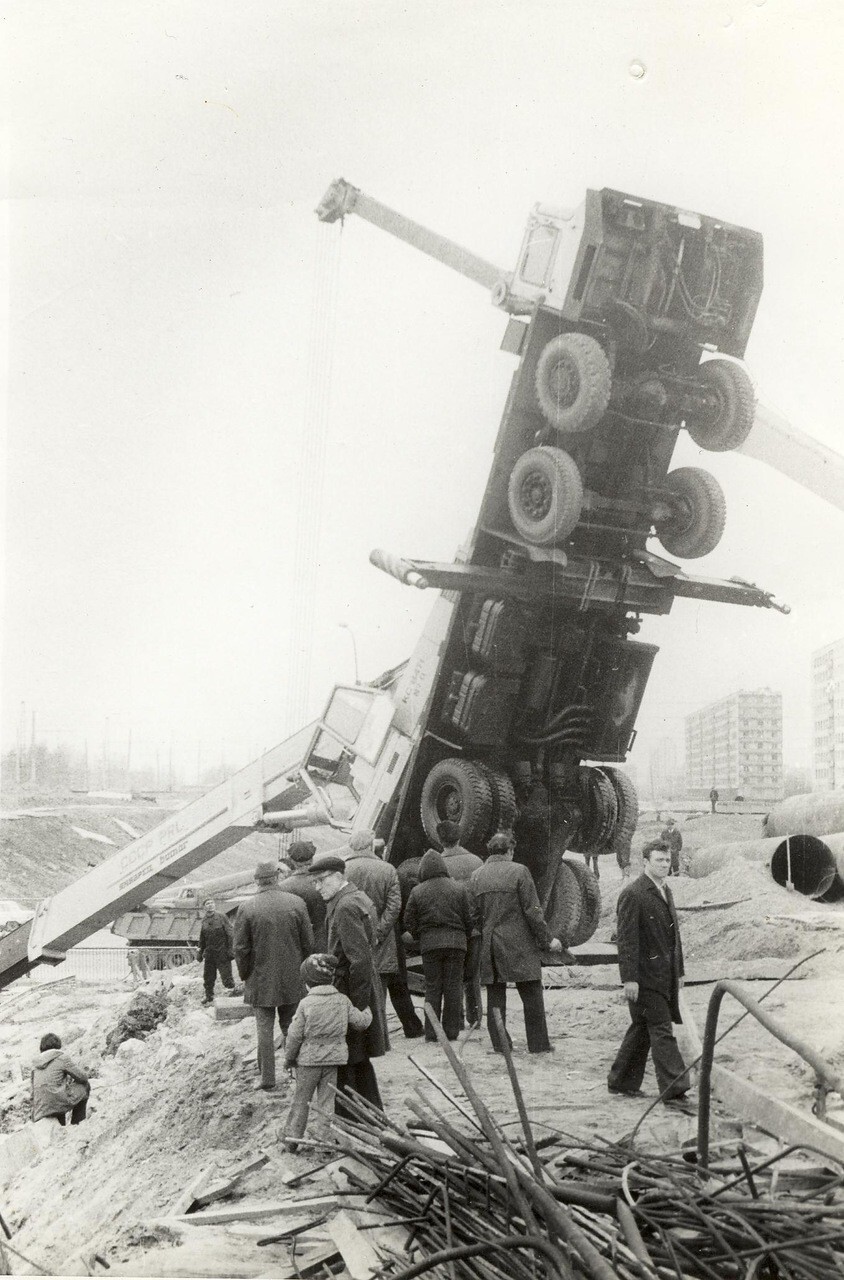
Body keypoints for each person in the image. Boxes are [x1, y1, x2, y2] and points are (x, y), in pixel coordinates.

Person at [607, 842, 692, 1111]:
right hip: (644, 978)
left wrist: (678, 972)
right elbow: (627, 941)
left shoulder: (665, 890)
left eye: (667, 860)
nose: (664, 865)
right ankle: (675, 1090)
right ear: (645, 862)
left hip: (664, 976)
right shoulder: (633, 893)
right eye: (658, 860)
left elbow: (673, 937)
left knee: (642, 1029)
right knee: (661, 1029)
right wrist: (629, 979)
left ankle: (621, 1081)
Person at [308, 853, 388, 1111]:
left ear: (338, 876)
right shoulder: (356, 898)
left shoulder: (344, 907)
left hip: (352, 990)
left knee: (348, 1056)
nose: (317, 888)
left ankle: (351, 1117)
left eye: (321, 881)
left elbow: (359, 960)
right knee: (357, 1057)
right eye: (315, 882)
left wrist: (357, 1006)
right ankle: (371, 1113)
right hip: (357, 986)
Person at [471, 830, 562, 1054]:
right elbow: (533, 912)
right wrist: (548, 940)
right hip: (520, 944)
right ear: (510, 851)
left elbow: (473, 916)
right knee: (531, 992)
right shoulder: (520, 871)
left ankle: (501, 1045)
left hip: (491, 944)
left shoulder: (477, 875)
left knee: (495, 995)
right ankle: (538, 1044)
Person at [234, 861, 314, 1092]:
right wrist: (305, 971)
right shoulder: (296, 903)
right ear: (277, 878)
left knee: (264, 1030)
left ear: (257, 880)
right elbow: (308, 942)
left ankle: (267, 1078)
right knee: (293, 1028)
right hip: (293, 977)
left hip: (260, 979)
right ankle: (298, 1076)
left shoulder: (247, 907)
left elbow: (240, 948)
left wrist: (245, 974)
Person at [282, 953, 373, 1151]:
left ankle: (292, 1139)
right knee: (326, 1103)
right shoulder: (342, 1000)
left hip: (308, 1062)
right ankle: (324, 1144)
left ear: (308, 982)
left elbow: (295, 1035)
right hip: (333, 1060)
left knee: (301, 1101)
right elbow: (360, 1022)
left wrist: (289, 1058)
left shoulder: (305, 1004)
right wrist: (368, 1009)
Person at [344, 830, 423, 1039]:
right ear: (371, 846)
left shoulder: (342, 870)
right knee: (394, 981)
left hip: (353, 935)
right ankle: (409, 1028)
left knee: (360, 983)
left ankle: (366, 1033)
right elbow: (394, 905)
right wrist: (379, 930)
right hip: (385, 938)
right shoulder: (387, 869)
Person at [404, 849, 476, 1041]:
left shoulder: (417, 891)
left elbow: (408, 920)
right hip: (456, 943)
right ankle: (451, 1032)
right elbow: (468, 919)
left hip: (430, 945)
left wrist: (421, 935)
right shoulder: (458, 888)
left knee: (433, 987)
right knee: (453, 987)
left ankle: (432, 1033)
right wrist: (463, 936)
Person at [436, 820, 483, 1029]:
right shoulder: (476, 862)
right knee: (473, 976)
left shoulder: (437, 864)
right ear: (460, 837)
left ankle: (456, 1019)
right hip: (473, 928)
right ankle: (475, 1018)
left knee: (452, 976)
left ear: (440, 839)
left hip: (449, 929)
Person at [31, 1033, 90, 1126]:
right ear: (58, 1046)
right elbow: (83, 1077)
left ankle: (61, 1124)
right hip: (58, 1104)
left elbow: (33, 1093)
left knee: (55, 1091)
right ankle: (77, 1124)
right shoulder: (62, 1058)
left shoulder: (35, 1065)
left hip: (40, 1110)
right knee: (85, 1086)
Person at [281, 840, 328, 949]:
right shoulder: (325, 880)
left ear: (292, 861)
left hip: (298, 945)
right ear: (312, 858)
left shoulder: (284, 887)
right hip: (325, 941)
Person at [197, 898, 235, 1004]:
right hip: (210, 954)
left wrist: (230, 950)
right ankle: (209, 997)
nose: (210, 905)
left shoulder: (222, 917)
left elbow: (230, 933)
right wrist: (200, 953)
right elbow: (202, 938)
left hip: (222, 952)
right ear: (204, 907)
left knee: (227, 977)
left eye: (212, 903)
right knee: (208, 977)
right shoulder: (204, 920)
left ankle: (232, 998)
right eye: (207, 903)